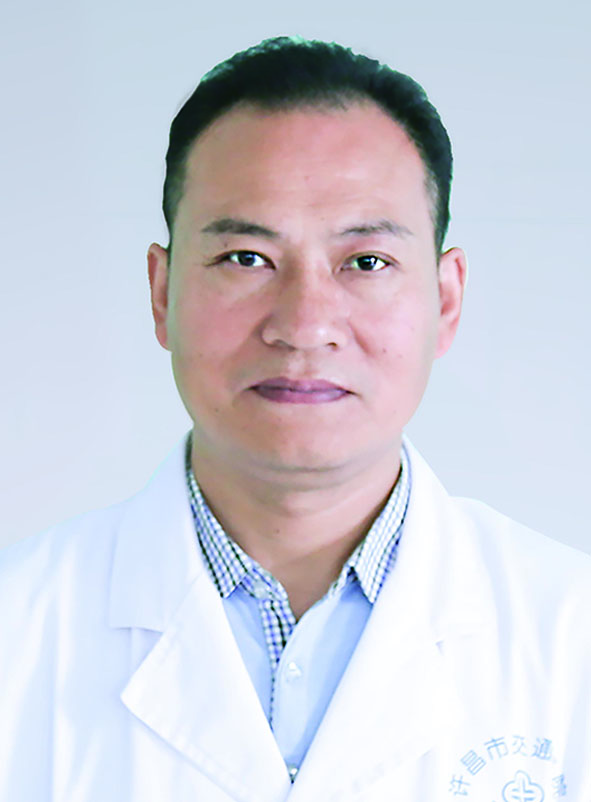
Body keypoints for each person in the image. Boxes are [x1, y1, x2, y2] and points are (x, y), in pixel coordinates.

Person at [0, 35, 589, 802]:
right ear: (162, 292)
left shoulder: (569, 634)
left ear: (445, 300)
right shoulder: (18, 626)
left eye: (365, 262)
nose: (305, 325)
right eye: (245, 258)